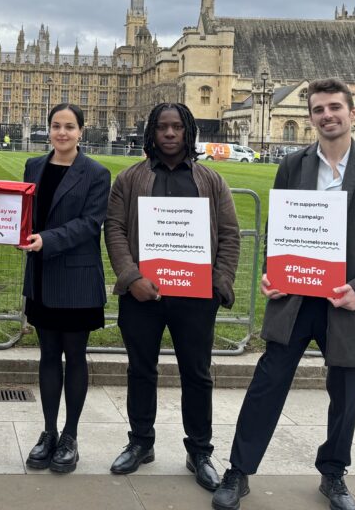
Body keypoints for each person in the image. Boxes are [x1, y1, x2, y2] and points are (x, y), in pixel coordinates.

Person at [213, 79, 355, 510]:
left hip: (346, 300)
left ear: (353, 113)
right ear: (311, 117)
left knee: (346, 393)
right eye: (318, 109)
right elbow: (280, 230)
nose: (327, 115)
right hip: (296, 297)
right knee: (267, 383)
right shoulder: (294, 166)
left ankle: (333, 474)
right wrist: (269, 273)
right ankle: (239, 471)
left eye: (335, 107)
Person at [105, 102, 241, 492]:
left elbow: (229, 234)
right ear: (152, 132)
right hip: (143, 294)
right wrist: (131, 278)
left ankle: (199, 450)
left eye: (176, 127)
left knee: (197, 374)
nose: (169, 134)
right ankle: (140, 442)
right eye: (162, 127)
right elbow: (114, 230)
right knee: (140, 370)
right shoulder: (130, 178)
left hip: (196, 297)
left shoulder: (210, 180)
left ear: (187, 132)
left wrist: (219, 283)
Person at [21, 103, 110, 473]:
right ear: (48, 129)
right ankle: (48, 431)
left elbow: (90, 224)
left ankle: (70, 436)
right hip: (42, 275)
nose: (62, 133)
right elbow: (23, 212)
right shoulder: (34, 166)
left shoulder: (96, 173)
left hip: (76, 276)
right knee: (47, 355)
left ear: (81, 132)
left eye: (69, 127)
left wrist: (46, 240)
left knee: (74, 356)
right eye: (56, 126)